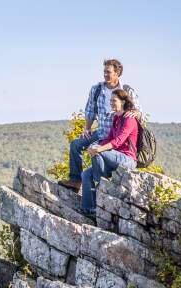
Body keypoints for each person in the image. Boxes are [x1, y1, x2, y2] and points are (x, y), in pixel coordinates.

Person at [59, 59, 142, 191]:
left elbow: (138, 111)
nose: (105, 75)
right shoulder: (97, 89)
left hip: (118, 136)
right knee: (76, 144)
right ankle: (75, 181)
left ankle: (99, 184)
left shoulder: (127, 90)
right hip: (102, 132)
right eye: (104, 72)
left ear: (117, 73)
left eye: (108, 72)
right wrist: (87, 128)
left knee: (97, 151)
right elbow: (90, 110)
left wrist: (136, 113)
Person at [80, 88, 138, 218]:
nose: (111, 102)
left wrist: (98, 149)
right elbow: (108, 139)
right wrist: (94, 146)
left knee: (98, 153)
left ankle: (101, 184)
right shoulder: (116, 118)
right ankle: (89, 210)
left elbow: (117, 141)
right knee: (85, 174)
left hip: (127, 160)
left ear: (123, 102)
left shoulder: (129, 119)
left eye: (114, 100)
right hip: (113, 157)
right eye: (110, 100)